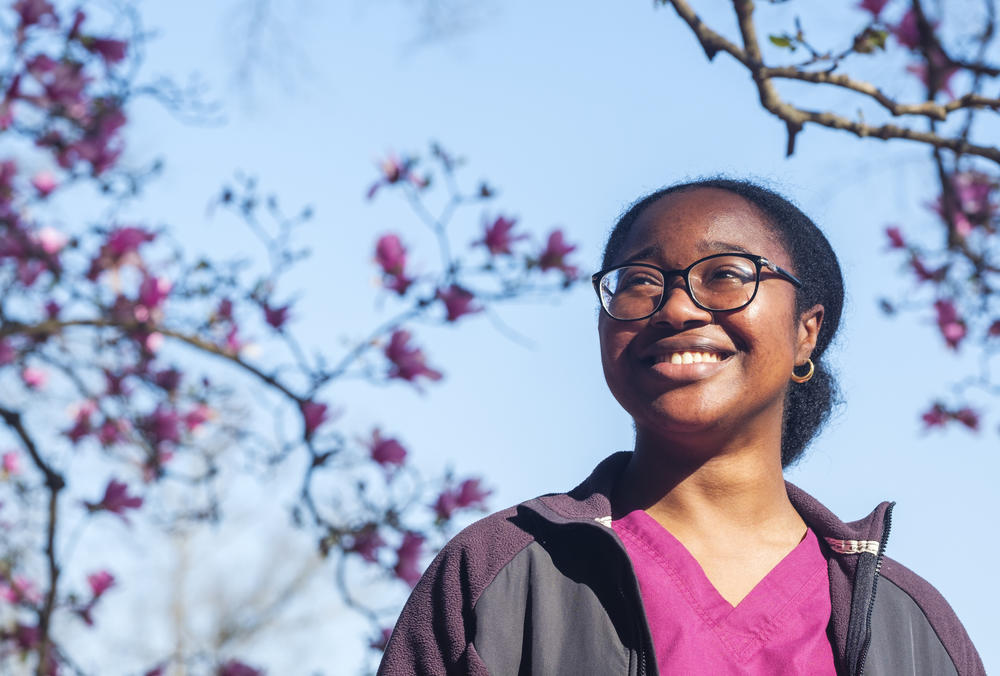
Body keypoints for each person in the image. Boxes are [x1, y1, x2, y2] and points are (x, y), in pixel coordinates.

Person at [377, 179, 985, 675]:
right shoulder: (499, 574)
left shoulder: (916, 630)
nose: (676, 306)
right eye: (640, 282)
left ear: (806, 332)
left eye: (725, 274)